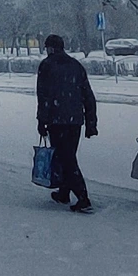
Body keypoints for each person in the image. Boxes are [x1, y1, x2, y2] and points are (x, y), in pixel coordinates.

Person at [36, 33, 98, 212]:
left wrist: (42, 121)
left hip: (57, 120)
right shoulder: (75, 66)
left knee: (66, 158)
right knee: (68, 155)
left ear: (50, 48)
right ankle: (64, 192)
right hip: (75, 120)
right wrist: (91, 122)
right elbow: (88, 95)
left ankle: (82, 197)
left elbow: (44, 97)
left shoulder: (47, 66)